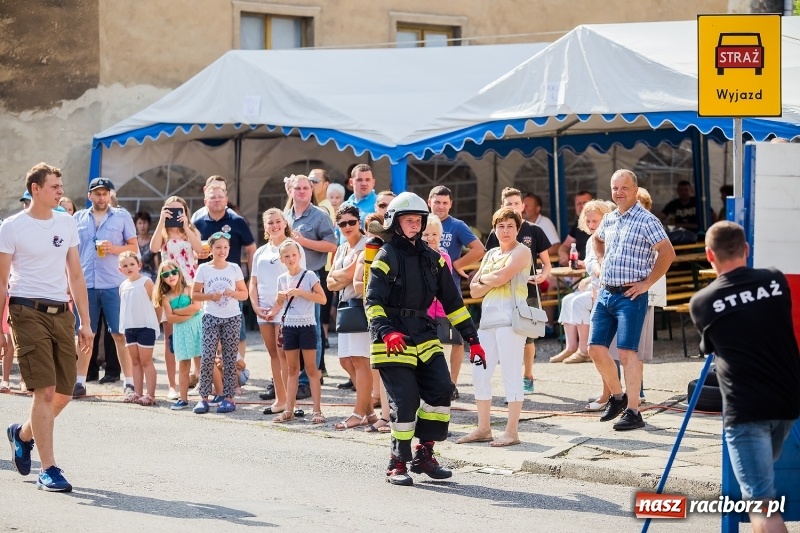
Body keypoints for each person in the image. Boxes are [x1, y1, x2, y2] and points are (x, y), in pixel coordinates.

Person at [365, 192, 486, 486]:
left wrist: (473, 339)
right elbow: (372, 302)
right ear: (395, 222)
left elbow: (454, 303)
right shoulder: (385, 255)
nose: (414, 225)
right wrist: (386, 331)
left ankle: (425, 454)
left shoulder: (434, 259)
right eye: (408, 220)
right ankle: (397, 462)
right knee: (405, 400)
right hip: (392, 336)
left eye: (418, 219)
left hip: (424, 331)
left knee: (442, 389)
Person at [689, 221, 800, 532]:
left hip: (747, 409)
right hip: (787, 403)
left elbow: (711, 348)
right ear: (746, 249)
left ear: (709, 255)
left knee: (760, 506)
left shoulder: (702, 302)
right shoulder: (775, 281)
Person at [2, 162, 93, 492]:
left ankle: (22, 435)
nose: (61, 191)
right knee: (46, 390)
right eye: (55, 186)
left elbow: (76, 275)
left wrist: (85, 321)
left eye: (61, 185)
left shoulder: (67, 222)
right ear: (35, 189)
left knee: (65, 393)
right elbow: (2, 283)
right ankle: (49, 469)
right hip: (25, 311)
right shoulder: (11, 227)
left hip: (61, 313)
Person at [587, 169, 675, 431]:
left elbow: (667, 253)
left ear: (635, 191)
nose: (619, 192)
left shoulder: (647, 220)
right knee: (595, 349)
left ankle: (634, 411)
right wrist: (602, 263)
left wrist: (647, 282)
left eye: (624, 188)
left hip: (630, 295)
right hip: (606, 293)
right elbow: (597, 240)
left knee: (627, 353)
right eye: (615, 188)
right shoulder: (610, 219)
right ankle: (617, 396)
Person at [459, 207, 532, 447]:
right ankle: (484, 428)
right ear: (494, 228)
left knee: (511, 373)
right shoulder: (490, 254)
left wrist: (487, 279)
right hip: (488, 321)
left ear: (518, 229)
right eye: (501, 226)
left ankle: (511, 432)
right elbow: (473, 288)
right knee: (479, 372)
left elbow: (495, 280)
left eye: (510, 226)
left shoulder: (522, 251)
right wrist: (493, 278)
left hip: (511, 320)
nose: (505, 230)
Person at [72, 177, 137, 399]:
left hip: (113, 284)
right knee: (84, 335)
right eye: (97, 193)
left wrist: (114, 249)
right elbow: (70, 254)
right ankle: (79, 382)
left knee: (120, 334)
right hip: (85, 284)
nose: (101, 197)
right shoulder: (78, 217)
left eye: (105, 193)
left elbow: (133, 247)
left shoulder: (122, 216)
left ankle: (129, 383)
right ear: (89, 195)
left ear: (110, 195)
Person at [484, 187, 551, 393]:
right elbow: (488, 260)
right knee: (504, 336)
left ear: (523, 206)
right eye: (508, 204)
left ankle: (527, 375)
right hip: (502, 292)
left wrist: (542, 276)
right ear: (502, 207)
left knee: (527, 337)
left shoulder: (534, 230)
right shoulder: (497, 231)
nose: (512, 207)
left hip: (527, 291)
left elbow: (546, 263)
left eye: (516, 203)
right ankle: (508, 380)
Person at [428, 185, 486, 399]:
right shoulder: (423, 222)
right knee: (431, 340)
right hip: (425, 296)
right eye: (437, 202)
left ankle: (452, 383)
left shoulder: (457, 226)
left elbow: (480, 250)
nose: (441, 206)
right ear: (429, 201)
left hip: (449, 292)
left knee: (455, 340)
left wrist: (456, 263)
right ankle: (432, 381)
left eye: (445, 202)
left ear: (451, 204)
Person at [284, 175, 337, 399]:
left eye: (306, 188)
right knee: (290, 330)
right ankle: (292, 378)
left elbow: (332, 245)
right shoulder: (285, 217)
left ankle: (308, 379)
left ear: (312, 191)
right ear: (291, 191)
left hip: (312, 276)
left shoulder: (319, 216)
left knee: (312, 331)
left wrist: (304, 242)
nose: (302, 191)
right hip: (288, 277)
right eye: (298, 188)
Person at [250, 208, 306, 414]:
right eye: (270, 223)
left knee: (286, 355)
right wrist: (255, 306)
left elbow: (298, 279)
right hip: (263, 311)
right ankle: (280, 399)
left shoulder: (294, 247)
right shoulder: (260, 252)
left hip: (285, 310)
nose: (274, 225)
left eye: (277, 221)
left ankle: (292, 403)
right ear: (265, 227)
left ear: (284, 223)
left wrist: (277, 307)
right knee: (273, 354)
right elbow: (253, 282)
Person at [193, 182, 256, 360]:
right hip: (206, 284)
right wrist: (196, 252)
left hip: (232, 283)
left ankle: (238, 371)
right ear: (205, 201)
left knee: (239, 332)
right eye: (213, 197)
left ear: (226, 199)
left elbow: (251, 249)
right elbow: (189, 250)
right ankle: (211, 373)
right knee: (207, 333)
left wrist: (252, 278)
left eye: (220, 197)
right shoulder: (197, 224)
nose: (217, 200)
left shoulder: (237, 221)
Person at [327, 204, 376, 430]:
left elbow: (347, 276)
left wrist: (340, 277)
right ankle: (369, 412)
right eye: (342, 223)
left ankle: (359, 413)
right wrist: (341, 277)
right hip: (345, 305)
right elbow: (329, 282)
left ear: (359, 222)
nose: (347, 227)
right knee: (345, 361)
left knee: (360, 360)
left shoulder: (366, 245)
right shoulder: (342, 248)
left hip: (359, 305)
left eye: (351, 222)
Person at [267, 240, 327, 425]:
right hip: (289, 327)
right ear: (281, 259)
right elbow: (280, 305)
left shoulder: (309, 275)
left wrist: (301, 293)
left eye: (294, 255)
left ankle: (317, 410)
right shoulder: (281, 279)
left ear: (300, 256)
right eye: (287, 256)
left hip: (307, 326)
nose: (291, 258)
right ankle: (289, 409)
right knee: (292, 370)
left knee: (311, 370)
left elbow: (322, 299)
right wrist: (277, 302)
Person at [150, 195, 203, 399]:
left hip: (190, 286)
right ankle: (172, 385)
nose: (175, 214)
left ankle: (198, 378)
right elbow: (154, 248)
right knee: (171, 338)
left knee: (196, 334)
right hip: (170, 288)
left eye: (179, 210)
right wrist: (162, 221)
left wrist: (186, 227)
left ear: (185, 212)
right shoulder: (163, 233)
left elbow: (199, 250)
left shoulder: (191, 230)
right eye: (171, 210)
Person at [191, 232, 248, 414]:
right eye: (218, 247)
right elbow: (195, 294)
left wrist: (232, 293)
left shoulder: (234, 268)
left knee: (230, 358)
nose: (222, 251)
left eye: (225, 247)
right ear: (211, 249)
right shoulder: (204, 269)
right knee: (207, 356)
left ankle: (229, 398)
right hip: (210, 316)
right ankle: (204, 398)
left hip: (232, 317)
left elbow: (244, 294)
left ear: (229, 249)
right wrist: (210, 296)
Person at [550, 200, 612, 364]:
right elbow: (593, 264)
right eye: (588, 221)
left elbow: (605, 267)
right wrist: (583, 265)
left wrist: (590, 282)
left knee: (577, 302)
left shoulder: (607, 238)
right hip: (595, 286)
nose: (591, 225)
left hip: (606, 291)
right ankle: (571, 347)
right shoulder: (593, 239)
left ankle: (584, 350)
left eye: (595, 221)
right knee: (567, 299)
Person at [353, 212, 391, 433]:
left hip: (398, 314)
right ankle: (386, 417)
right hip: (378, 312)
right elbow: (365, 282)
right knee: (385, 368)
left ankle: (397, 417)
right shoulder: (372, 246)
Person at [153, 260, 203, 411]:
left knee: (204, 362)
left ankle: (207, 397)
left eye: (174, 272)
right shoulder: (165, 297)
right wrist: (187, 314)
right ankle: (183, 398)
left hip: (196, 328)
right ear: (162, 278)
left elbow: (196, 307)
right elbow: (170, 318)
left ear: (179, 272)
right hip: (181, 332)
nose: (171, 276)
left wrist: (178, 312)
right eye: (166, 274)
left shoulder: (189, 288)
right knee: (183, 365)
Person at [117, 251, 160, 406]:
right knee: (135, 361)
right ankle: (137, 393)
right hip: (130, 328)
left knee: (146, 361)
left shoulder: (146, 282)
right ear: (120, 269)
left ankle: (151, 394)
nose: (129, 268)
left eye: (132, 264)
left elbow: (156, 303)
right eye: (125, 265)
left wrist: (156, 321)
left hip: (145, 326)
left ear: (139, 265)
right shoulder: (122, 286)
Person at [557, 191, 594, 265]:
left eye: (585, 203)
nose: (582, 206)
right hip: (578, 268)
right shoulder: (577, 224)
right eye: (578, 204)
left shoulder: (601, 223)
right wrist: (563, 255)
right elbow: (565, 246)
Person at [133, 211, 158, 282]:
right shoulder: (133, 241)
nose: (142, 226)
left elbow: (157, 264)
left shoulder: (154, 241)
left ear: (149, 224)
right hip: (136, 275)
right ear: (136, 225)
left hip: (151, 277)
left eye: (145, 223)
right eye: (140, 223)